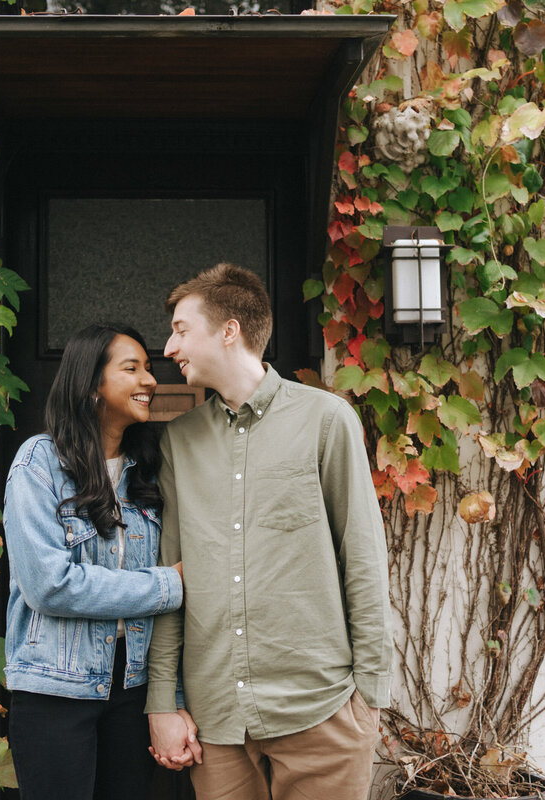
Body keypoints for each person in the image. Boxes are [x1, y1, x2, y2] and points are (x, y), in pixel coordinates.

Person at [145, 264, 391, 800]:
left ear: (229, 330)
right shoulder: (179, 440)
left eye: (182, 329)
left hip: (321, 711)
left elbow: (364, 557)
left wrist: (369, 698)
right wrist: (163, 700)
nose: (168, 347)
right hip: (218, 725)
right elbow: (171, 578)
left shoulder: (328, 420)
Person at [2, 322, 185, 800]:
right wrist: (167, 586)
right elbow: (50, 585)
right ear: (90, 385)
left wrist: (174, 698)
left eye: (150, 369)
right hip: (54, 690)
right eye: (133, 368)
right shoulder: (38, 463)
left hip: (133, 686)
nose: (150, 380)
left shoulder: (148, 472)